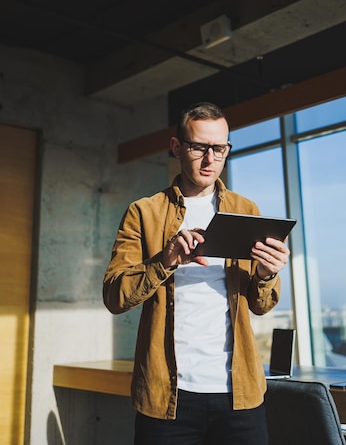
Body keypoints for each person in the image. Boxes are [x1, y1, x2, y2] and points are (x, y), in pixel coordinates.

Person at [103, 101, 290, 445]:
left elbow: (260, 305)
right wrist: (166, 259)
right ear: (177, 147)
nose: (209, 159)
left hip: (240, 395)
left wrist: (266, 274)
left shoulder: (246, 211)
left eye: (219, 149)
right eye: (199, 147)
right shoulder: (143, 213)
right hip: (167, 397)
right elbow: (115, 295)